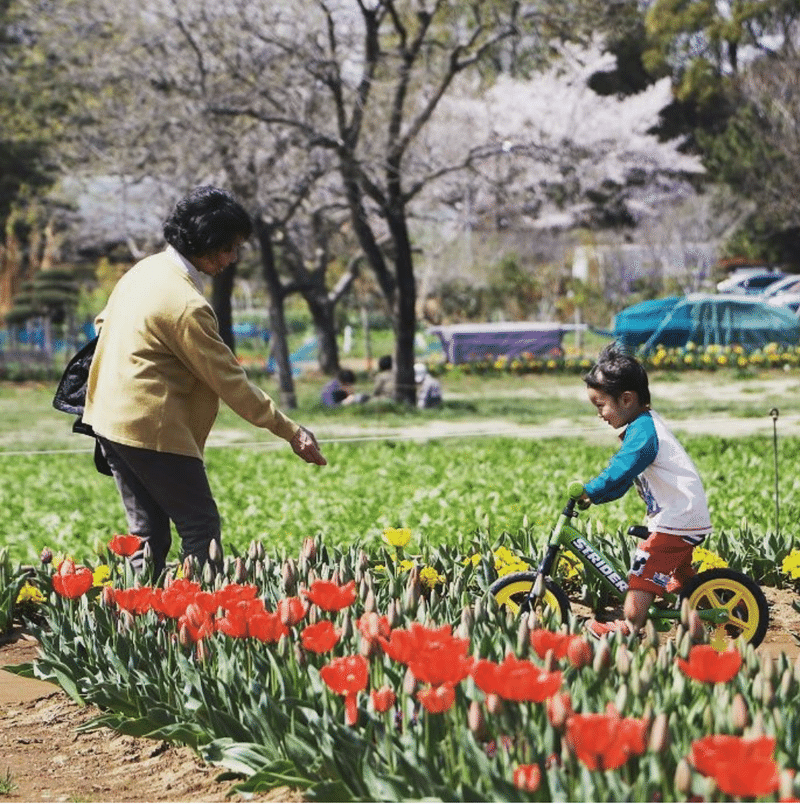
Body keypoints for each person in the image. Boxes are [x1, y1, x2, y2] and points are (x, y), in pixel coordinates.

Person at [83, 186, 326, 579]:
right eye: (229, 248)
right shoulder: (186, 304)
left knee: (147, 536)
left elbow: (102, 325)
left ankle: (136, 621)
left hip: (108, 419)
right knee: (201, 530)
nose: (233, 258)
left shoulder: (145, 271)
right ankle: (202, 624)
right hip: (153, 428)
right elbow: (230, 381)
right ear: (205, 244)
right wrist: (291, 431)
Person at [578, 344, 711, 637]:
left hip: (676, 519)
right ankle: (699, 619)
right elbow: (623, 482)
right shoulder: (643, 425)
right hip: (681, 516)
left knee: (645, 567)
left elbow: (621, 469)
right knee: (683, 583)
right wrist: (598, 496)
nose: (599, 414)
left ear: (626, 399)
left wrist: (590, 490)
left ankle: (630, 624)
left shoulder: (644, 432)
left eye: (600, 405)